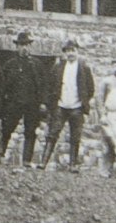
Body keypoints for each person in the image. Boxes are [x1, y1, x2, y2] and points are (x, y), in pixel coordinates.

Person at [39, 40, 95, 171]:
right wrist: (49, 103)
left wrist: (82, 102)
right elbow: (50, 85)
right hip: (61, 106)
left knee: (75, 136)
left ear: (77, 51)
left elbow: (90, 89)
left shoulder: (84, 68)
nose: (70, 54)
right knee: (53, 133)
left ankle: (73, 165)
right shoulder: (58, 67)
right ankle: (43, 163)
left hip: (77, 107)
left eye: (73, 50)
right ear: (64, 53)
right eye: (68, 51)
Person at [0, 30, 50, 169]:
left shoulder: (37, 64)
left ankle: (27, 160)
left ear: (30, 46)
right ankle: (0, 155)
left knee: (30, 131)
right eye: (21, 45)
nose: (24, 48)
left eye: (27, 45)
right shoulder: (10, 65)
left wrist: (43, 102)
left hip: (32, 103)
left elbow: (44, 84)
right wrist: (4, 102)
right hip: (14, 103)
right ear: (17, 47)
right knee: (7, 129)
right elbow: (3, 85)